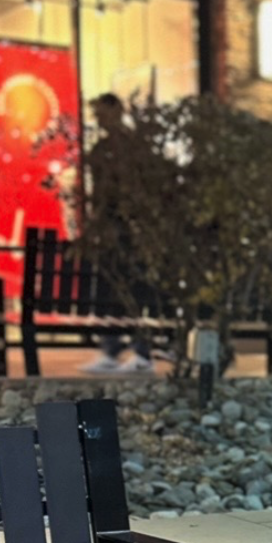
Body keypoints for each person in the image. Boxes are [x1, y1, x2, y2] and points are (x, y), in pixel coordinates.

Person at [80, 92, 155, 374]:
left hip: (126, 230)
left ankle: (137, 353)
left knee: (131, 292)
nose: (99, 120)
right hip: (113, 229)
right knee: (112, 292)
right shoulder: (105, 149)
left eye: (102, 113)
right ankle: (114, 351)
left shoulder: (130, 150)